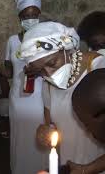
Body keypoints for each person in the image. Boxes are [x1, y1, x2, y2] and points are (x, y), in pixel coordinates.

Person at [19, 21, 105, 173]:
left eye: (52, 63)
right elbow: (51, 124)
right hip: (70, 166)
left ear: (65, 48)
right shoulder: (49, 84)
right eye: (40, 71)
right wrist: (45, 130)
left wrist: (87, 170)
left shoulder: (99, 69)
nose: (49, 74)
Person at [4, 0, 47, 173]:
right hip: (17, 97)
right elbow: (8, 70)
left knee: (38, 135)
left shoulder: (46, 41)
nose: (30, 19)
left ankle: (40, 169)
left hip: (39, 97)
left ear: (39, 16)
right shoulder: (12, 41)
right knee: (19, 138)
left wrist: (39, 70)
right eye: (26, 16)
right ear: (19, 17)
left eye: (34, 15)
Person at [37, 69, 105, 174]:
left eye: (87, 124)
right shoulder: (48, 84)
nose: (86, 130)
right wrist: (84, 170)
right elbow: (49, 123)